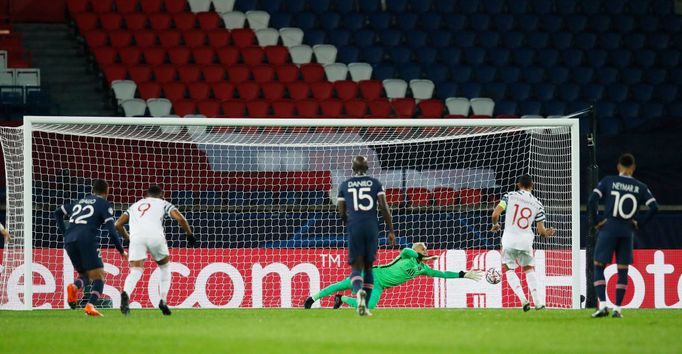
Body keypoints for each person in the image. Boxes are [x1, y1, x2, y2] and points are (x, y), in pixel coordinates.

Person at [304, 242, 482, 310]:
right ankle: (312, 299)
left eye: (425, 249)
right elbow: (406, 249)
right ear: (417, 250)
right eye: (423, 248)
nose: (426, 250)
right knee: (343, 284)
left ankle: (342, 299)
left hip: (380, 285)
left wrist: (463, 274)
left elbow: (441, 273)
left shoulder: (422, 268)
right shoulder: (407, 255)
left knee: (369, 307)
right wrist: (420, 255)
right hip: (373, 274)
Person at [589, 153, 658, 318]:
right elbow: (654, 207)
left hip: (609, 228)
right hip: (627, 231)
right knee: (623, 270)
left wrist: (597, 221)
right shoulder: (640, 186)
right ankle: (617, 309)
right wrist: (639, 223)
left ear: (619, 167)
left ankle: (603, 306)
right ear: (633, 168)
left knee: (599, 265)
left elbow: (592, 200)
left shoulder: (609, 181)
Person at [115, 185, 195, 316]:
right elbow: (181, 218)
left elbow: (117, 224)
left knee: (135, 270)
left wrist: (127, 238)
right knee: (164, 268)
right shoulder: (163, 203)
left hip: (137, 238)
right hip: (155, 237)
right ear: (161, 194)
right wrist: (189, 235)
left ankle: (126, 293)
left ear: (147, 195)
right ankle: (163, 300)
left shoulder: (135, 205)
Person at [54, 179, 127, 316]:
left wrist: (65, 234)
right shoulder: (104, 204)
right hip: (87, 239)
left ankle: (75, 286)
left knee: (85, 275)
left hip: (69, 241)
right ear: (107, 191)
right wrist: (121, 250)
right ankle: (90, 306)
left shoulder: (80, 201)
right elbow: (112, 231)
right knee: (99, 276)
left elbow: (58, 213)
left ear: (93, 191)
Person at [336, 156, 395, 316]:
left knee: (356, 267)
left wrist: (347, 222)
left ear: (353, 168)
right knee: (368, 267)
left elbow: (341, 210)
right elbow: (383, 207)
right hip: (371, 227)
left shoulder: (344, 185)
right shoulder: (375, 183)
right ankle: (364, 306)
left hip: (355, 227)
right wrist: (390, 230)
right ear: (367, 167)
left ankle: (358, 293)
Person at [491, 174, 555, 312]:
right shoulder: (538, 204)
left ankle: (523, 299)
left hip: (509, 240)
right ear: (532, 186)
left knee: (509, 268)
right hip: (526, 241)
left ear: (518, 185)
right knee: (529, 269)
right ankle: (538, 302)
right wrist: (547, 233)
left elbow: (495, 214)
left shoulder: (509, 196)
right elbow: (541, 231)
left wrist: (495, 225)